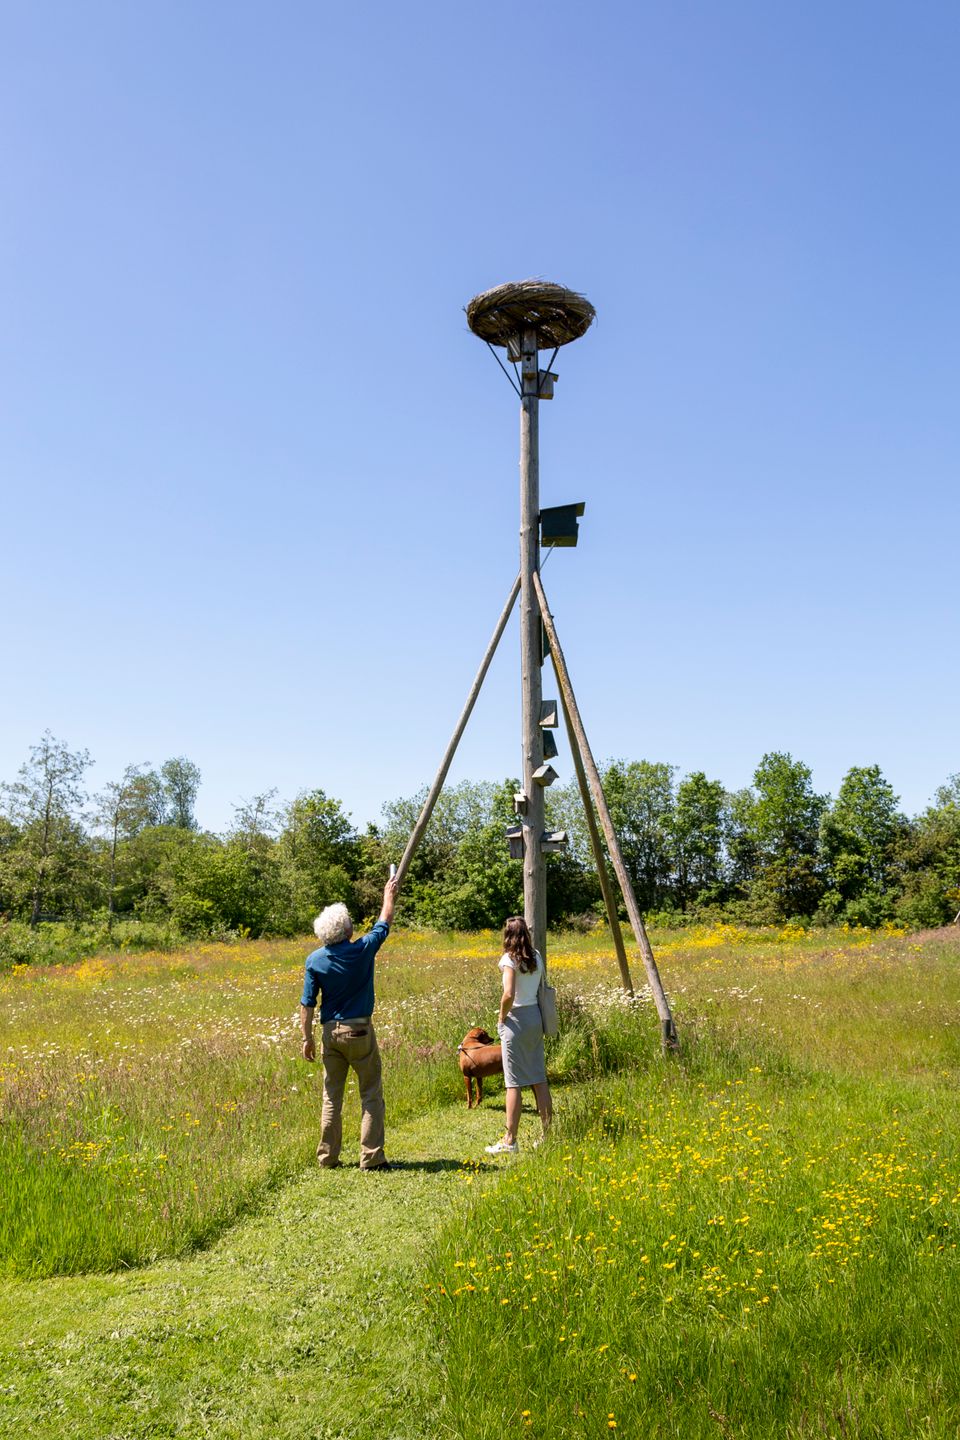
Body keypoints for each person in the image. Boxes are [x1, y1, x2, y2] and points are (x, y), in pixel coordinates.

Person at [300, 877, 398, 1171]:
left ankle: (327, 1157)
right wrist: (388, 894)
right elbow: (385, 921)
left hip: (330, 1033)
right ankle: (371, 1157)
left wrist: (307, 1038)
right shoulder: (363, 949)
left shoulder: (314, 960)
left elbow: (307, 1003)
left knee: (332, 1096)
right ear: (346, 930)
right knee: (370, 1093)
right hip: (360, 1030)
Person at [485, 915, 553, 1155]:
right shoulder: (537, 957)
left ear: (508, 935)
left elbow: (508, 994)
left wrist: (501, 1018)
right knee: (538, 1078)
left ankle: (509, 1140)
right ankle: (548, 1135)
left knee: (513, 1082)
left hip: (516, 1020)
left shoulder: (508, 959)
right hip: (535, 1017)